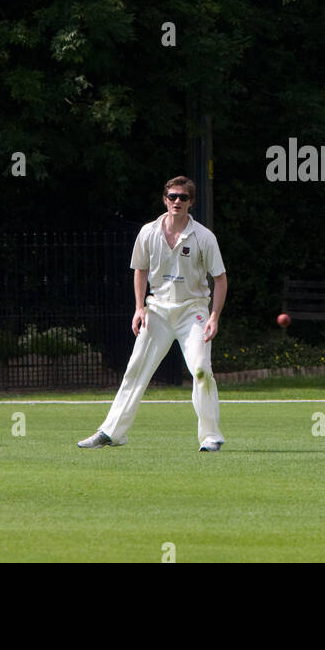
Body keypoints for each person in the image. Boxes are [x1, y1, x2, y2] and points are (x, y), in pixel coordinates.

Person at [78, 176, 227, 452]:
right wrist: (139, 307)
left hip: (193, 310)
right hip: (157, 309)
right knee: (135, 369)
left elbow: (220, 279)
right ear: (164, 199)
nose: (177, 202)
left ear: (191, 202)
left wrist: (214, 316)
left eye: (183, 197)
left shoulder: (204, 237)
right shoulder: (148, 232)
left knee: (201, 370)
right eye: (172, 196)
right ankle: (112, 432)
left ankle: (210, 436)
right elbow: (140, 270)